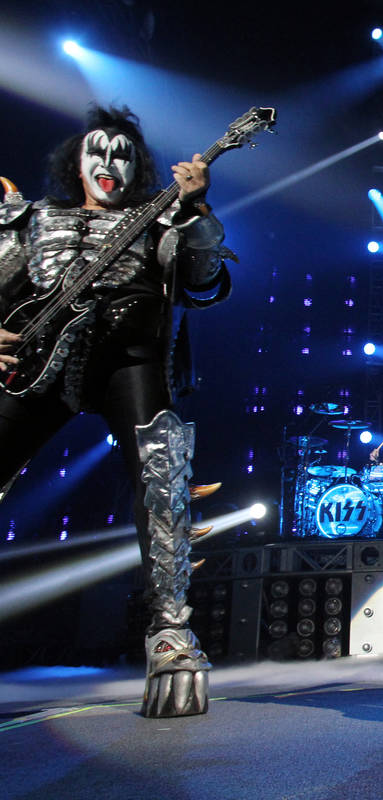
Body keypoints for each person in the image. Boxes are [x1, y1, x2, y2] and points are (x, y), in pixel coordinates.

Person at [0, 106, 233, 715]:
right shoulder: (33, 219)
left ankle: (171, 631)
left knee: (161, 472)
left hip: (128, 356)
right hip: (39, 362)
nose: (111, 164)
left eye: (125, 153)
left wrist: (196, 208)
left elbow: (204, 281)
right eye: (99, 152)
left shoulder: (158, 219)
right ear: (75, 160)